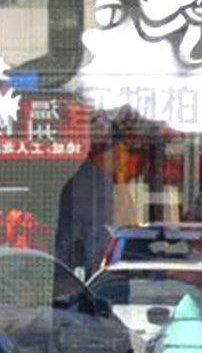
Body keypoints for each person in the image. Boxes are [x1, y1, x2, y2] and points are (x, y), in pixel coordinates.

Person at [55, 119, 144, 278]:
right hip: (93, 275)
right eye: (127, 150)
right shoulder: (91, 185)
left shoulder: (104, 183)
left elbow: (129, 230)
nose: (129, 160)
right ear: (114, 151)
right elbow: (116, 235)